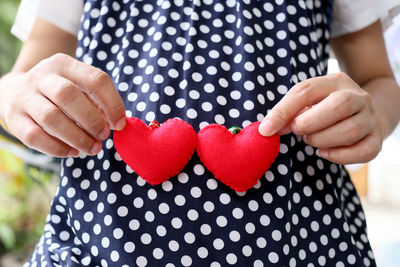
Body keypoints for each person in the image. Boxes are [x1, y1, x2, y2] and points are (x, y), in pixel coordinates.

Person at [1, 0, 399, 266]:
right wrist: (16, 95)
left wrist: (375, 117)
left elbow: (378, 79)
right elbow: (22, 75)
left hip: (304, 238)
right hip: (98, 238)